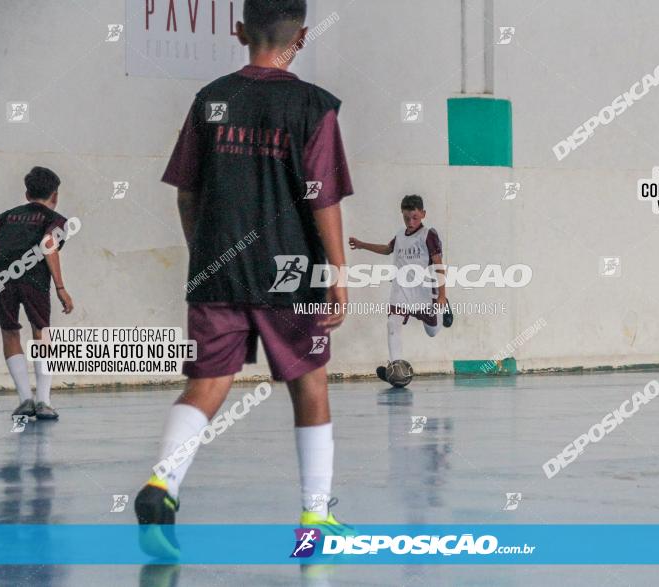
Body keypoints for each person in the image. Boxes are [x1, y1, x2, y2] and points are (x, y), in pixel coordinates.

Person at [134, 0, 354, 550]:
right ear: (300, 37)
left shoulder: (210, 99)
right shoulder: (313, 106)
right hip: (289, 271)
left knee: (206, 383)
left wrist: (204, 250)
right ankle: (314, 516)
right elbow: (321, 196)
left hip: (217, 269)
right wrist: (338, 274)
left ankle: (162, 481)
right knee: (311, 382)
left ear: (238, 32)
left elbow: (188, 192)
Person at [0, 166, 74, 420]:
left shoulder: (8, 216)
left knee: (10, 331)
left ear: (27, 193)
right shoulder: (56, 219)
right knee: (41, 331)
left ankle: (24, 400)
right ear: (55, 195)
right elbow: (49, 246)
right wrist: (61, 287)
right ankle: (43, 400)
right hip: (33, 279)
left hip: (1, 276)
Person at [348, 194, 452, 382]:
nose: (410, 222)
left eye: (415, 217)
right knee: (392, 323)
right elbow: (387, 249)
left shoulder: (428, 235)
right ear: (401, 214)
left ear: (423, 214)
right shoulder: (399, 235)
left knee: (432, 332)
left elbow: (439, 265)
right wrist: (363, 245)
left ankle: (443, 308)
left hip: (424, 292)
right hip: (401, 291)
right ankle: (396, 369)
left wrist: (442, 295)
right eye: (406, 218)